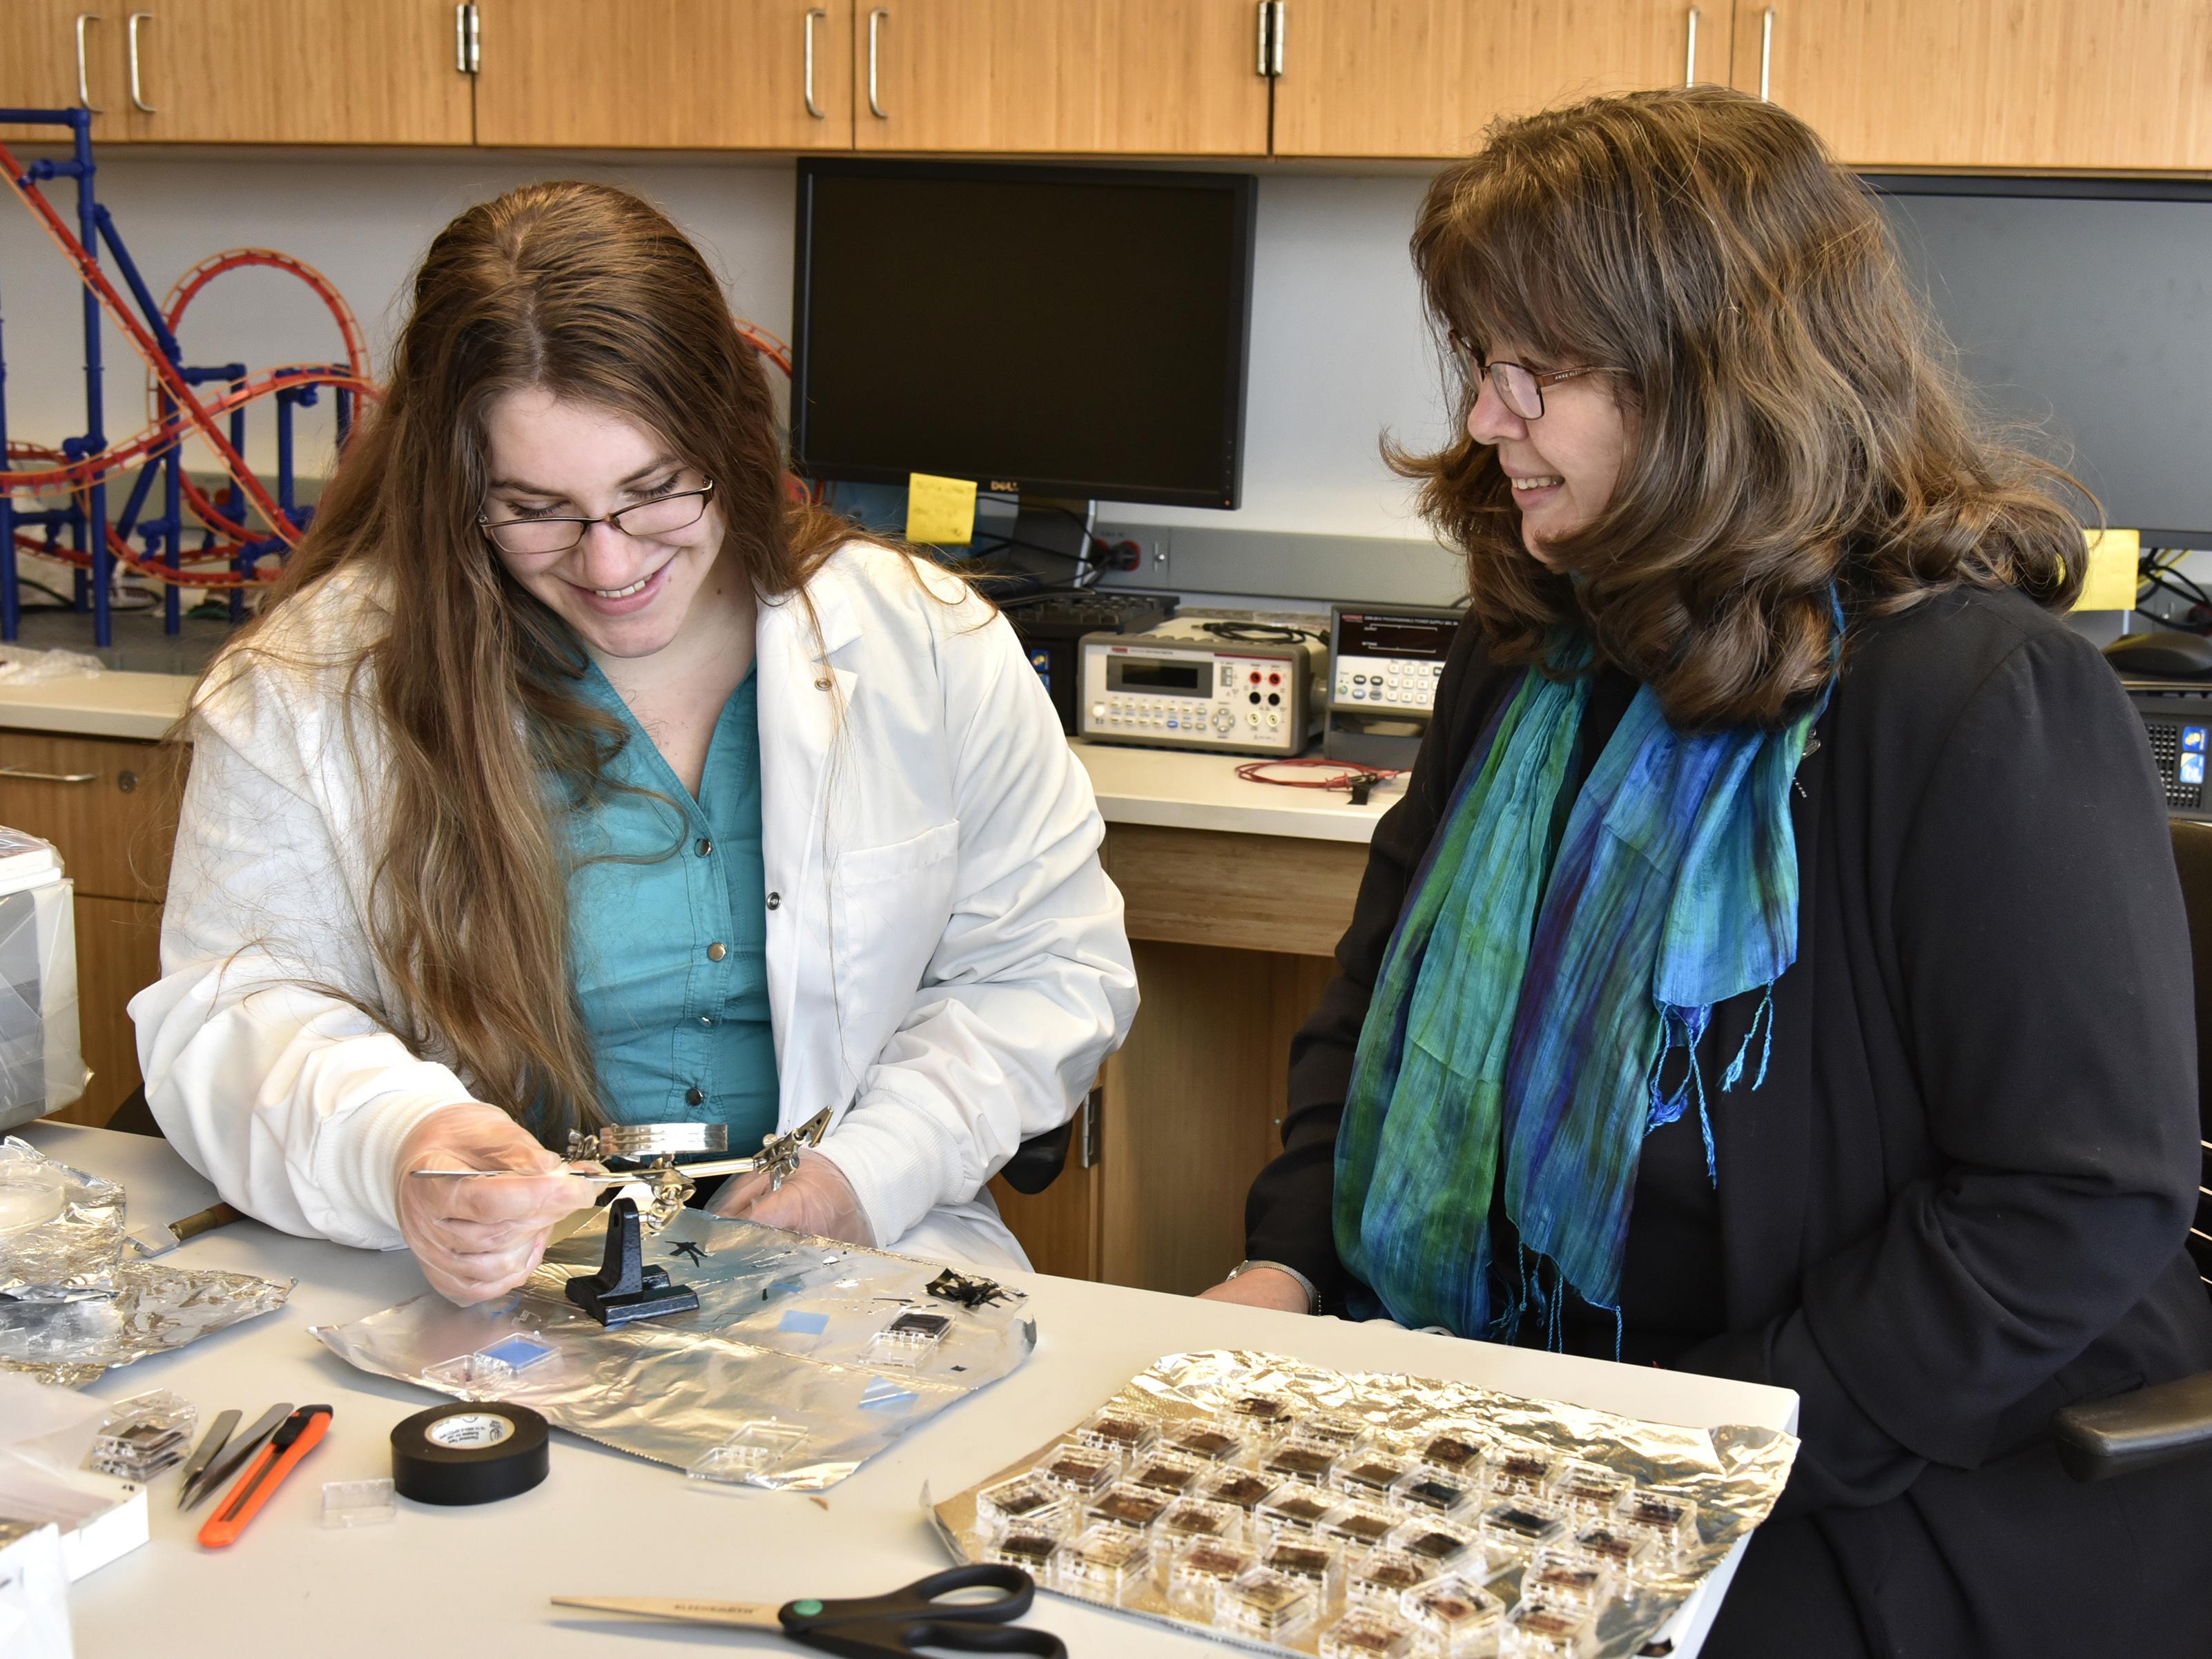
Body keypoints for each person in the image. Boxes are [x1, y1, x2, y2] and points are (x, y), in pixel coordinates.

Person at [1200, 88, 2212, 1656]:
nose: (1487, 414)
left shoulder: (1973, 703)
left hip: (1871, 1479)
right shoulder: (1526, 644)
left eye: (1544, 369)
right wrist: (1287, 1257)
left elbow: (2075, 1201)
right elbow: (1373, 1003)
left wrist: (1672, 1453)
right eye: (1480, 359)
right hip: (1517, 1418)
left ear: (1716, 377)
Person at [131, 181, 1137, 1304]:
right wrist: (401, 1141)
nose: (609, 567)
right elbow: (232, 1013)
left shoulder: (924, 646)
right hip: (482, 1285)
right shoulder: (314, 688)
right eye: (536, 508)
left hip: (855, 1260)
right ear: (456, 489)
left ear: (731, 435)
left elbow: (1044, 969)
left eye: (654, 493)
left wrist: (865, 1174)